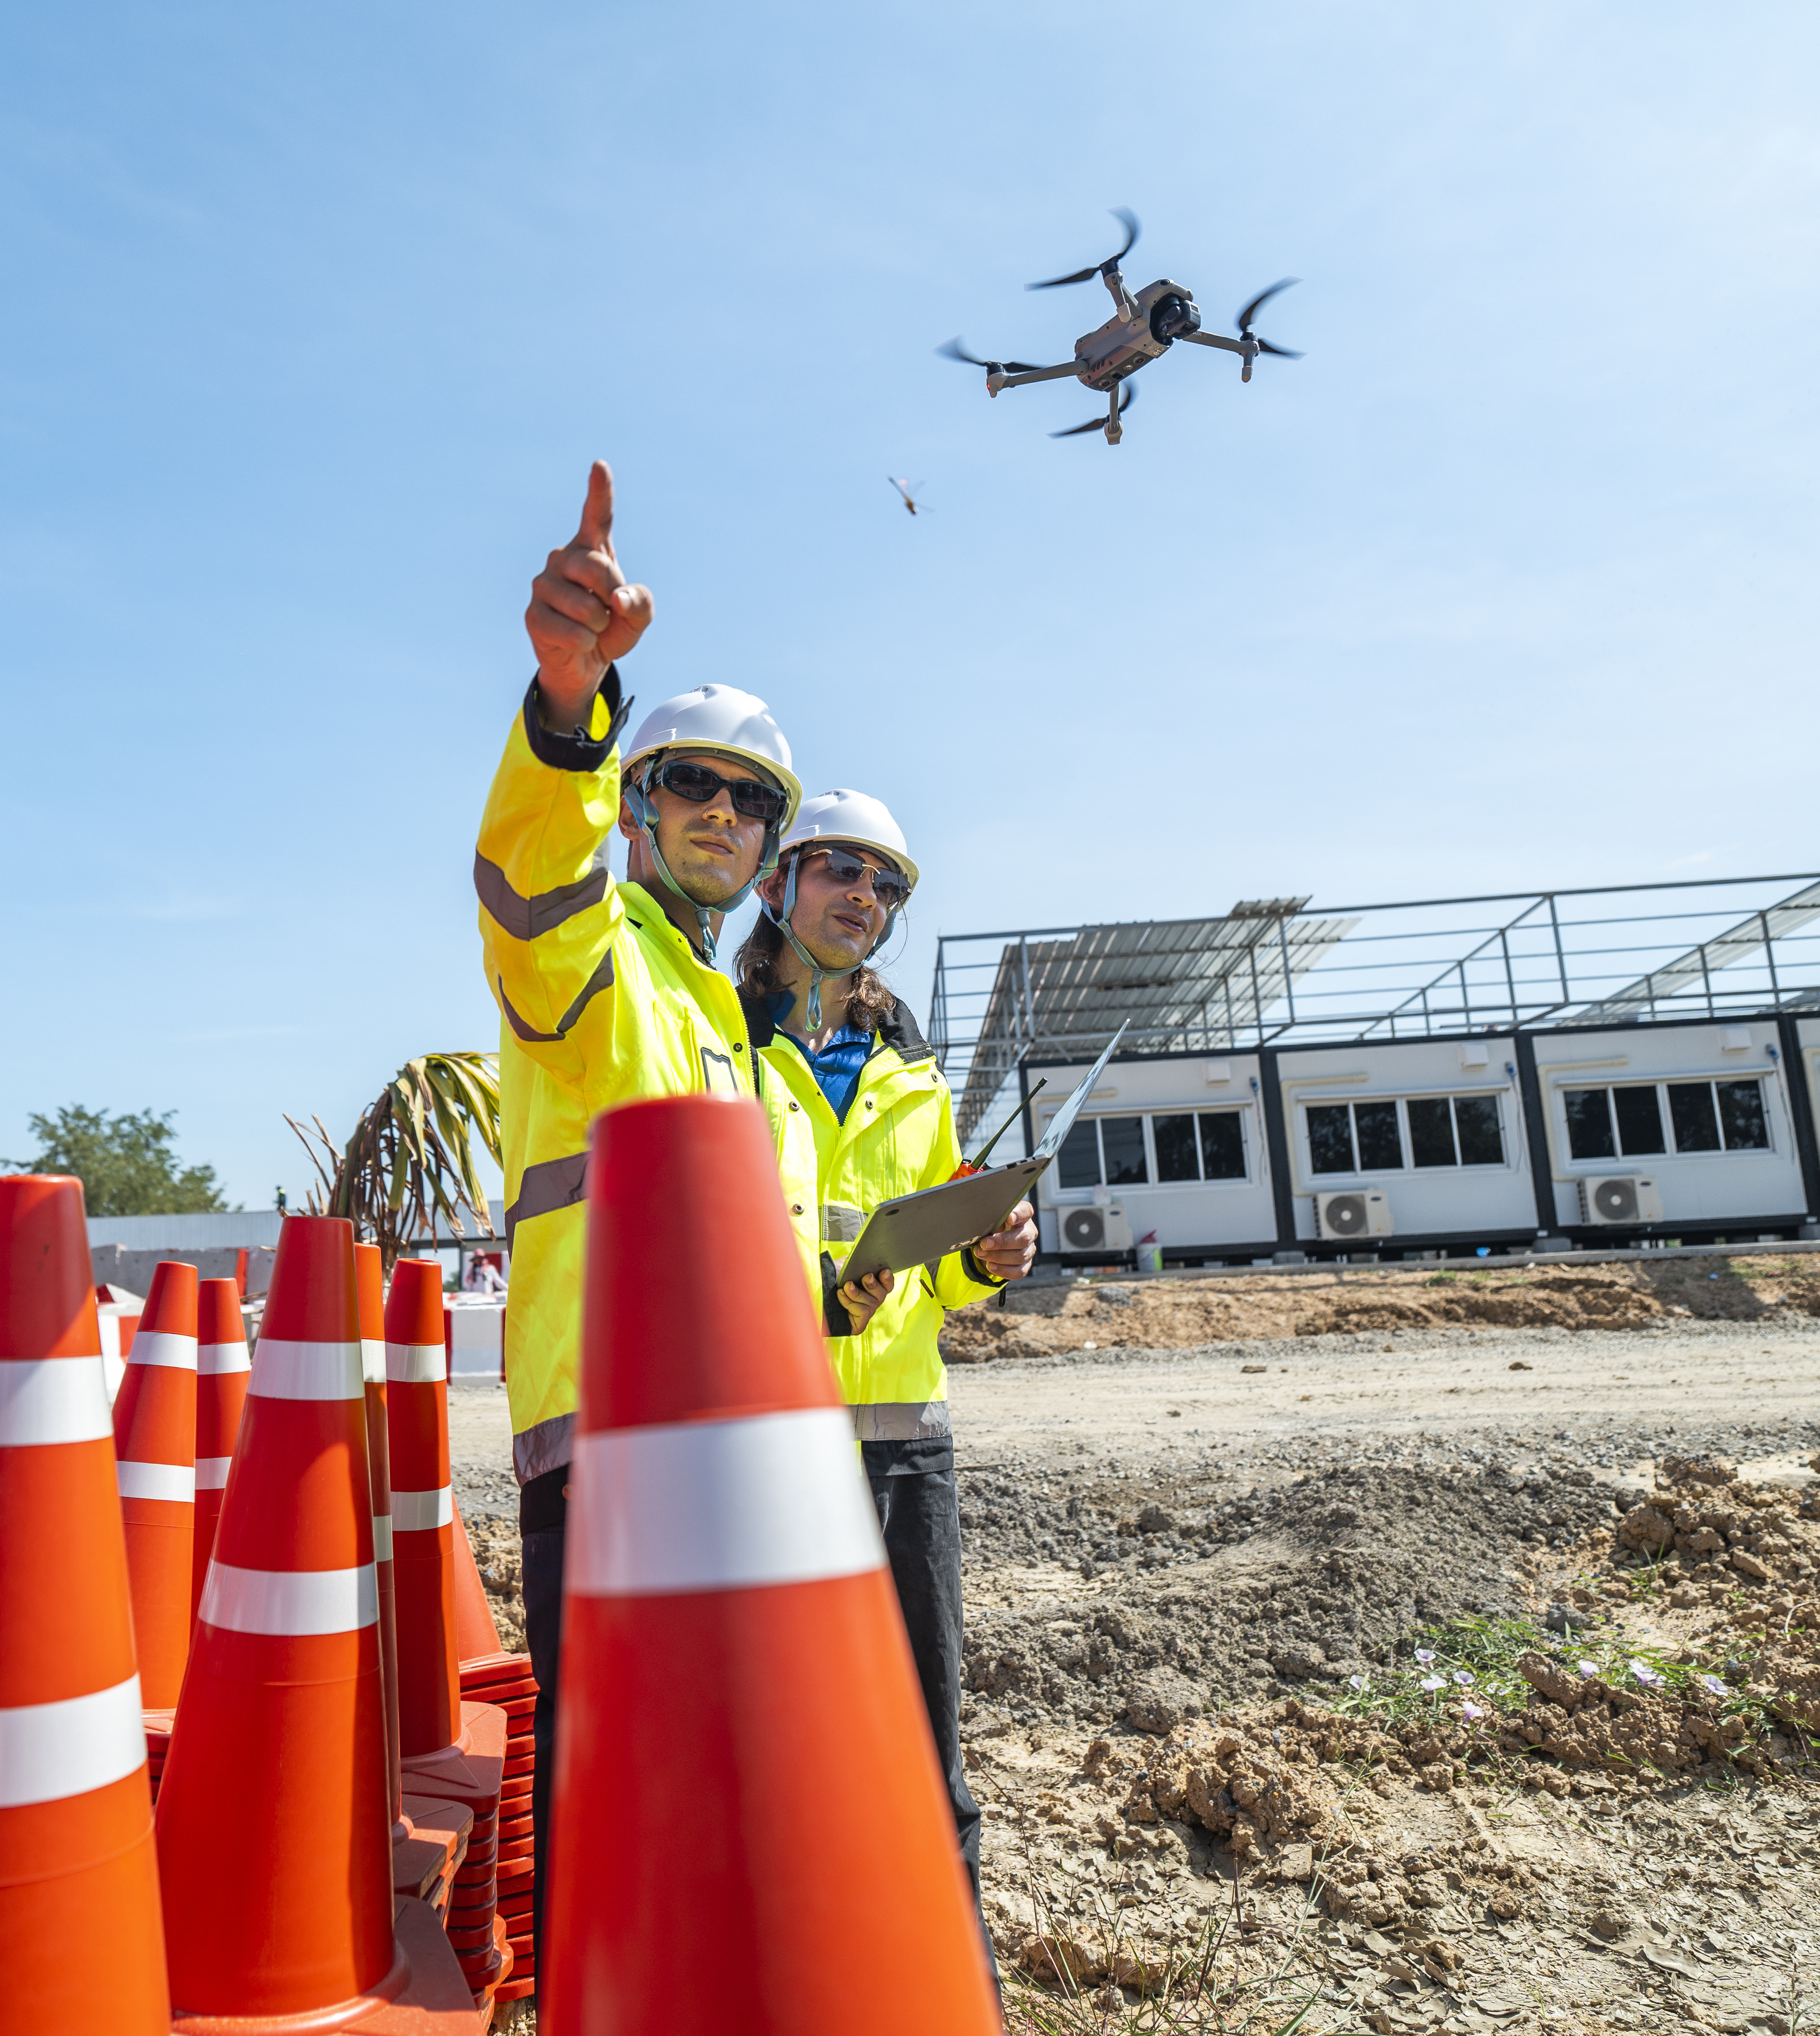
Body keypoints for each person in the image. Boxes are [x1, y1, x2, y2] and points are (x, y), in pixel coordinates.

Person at [474, 460, 804, 1950]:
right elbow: (529, 892)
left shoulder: (725, 1013)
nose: (723, 815)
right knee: (618, 1801)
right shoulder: (595, 951)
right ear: (633, 799)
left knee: (712, 1791)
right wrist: (565, 707)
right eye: (692, 783)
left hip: (728, 1439)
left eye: (752, 802)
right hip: (606, 1431)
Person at [739, 789, 1038, 1908]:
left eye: (886, 884)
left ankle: (955, 1986)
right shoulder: (719, 1037)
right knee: (773, 1741)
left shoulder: (911, 1065)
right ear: (779, 883)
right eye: (840, 870)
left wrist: (988, 1251)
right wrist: (810, 1295)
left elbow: (939, 1259)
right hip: (764, 1440)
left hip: (907, 1445)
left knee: (925, 1742)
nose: (864, 895)